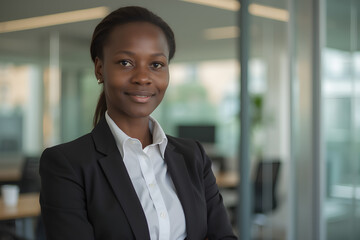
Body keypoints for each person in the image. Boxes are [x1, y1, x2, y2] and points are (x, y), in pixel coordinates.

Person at [39, 6, 237, 240]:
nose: (143, 77)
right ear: (100, 68)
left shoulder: (193, 156)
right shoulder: (67, 164)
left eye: (156, 65)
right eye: (125, 62)